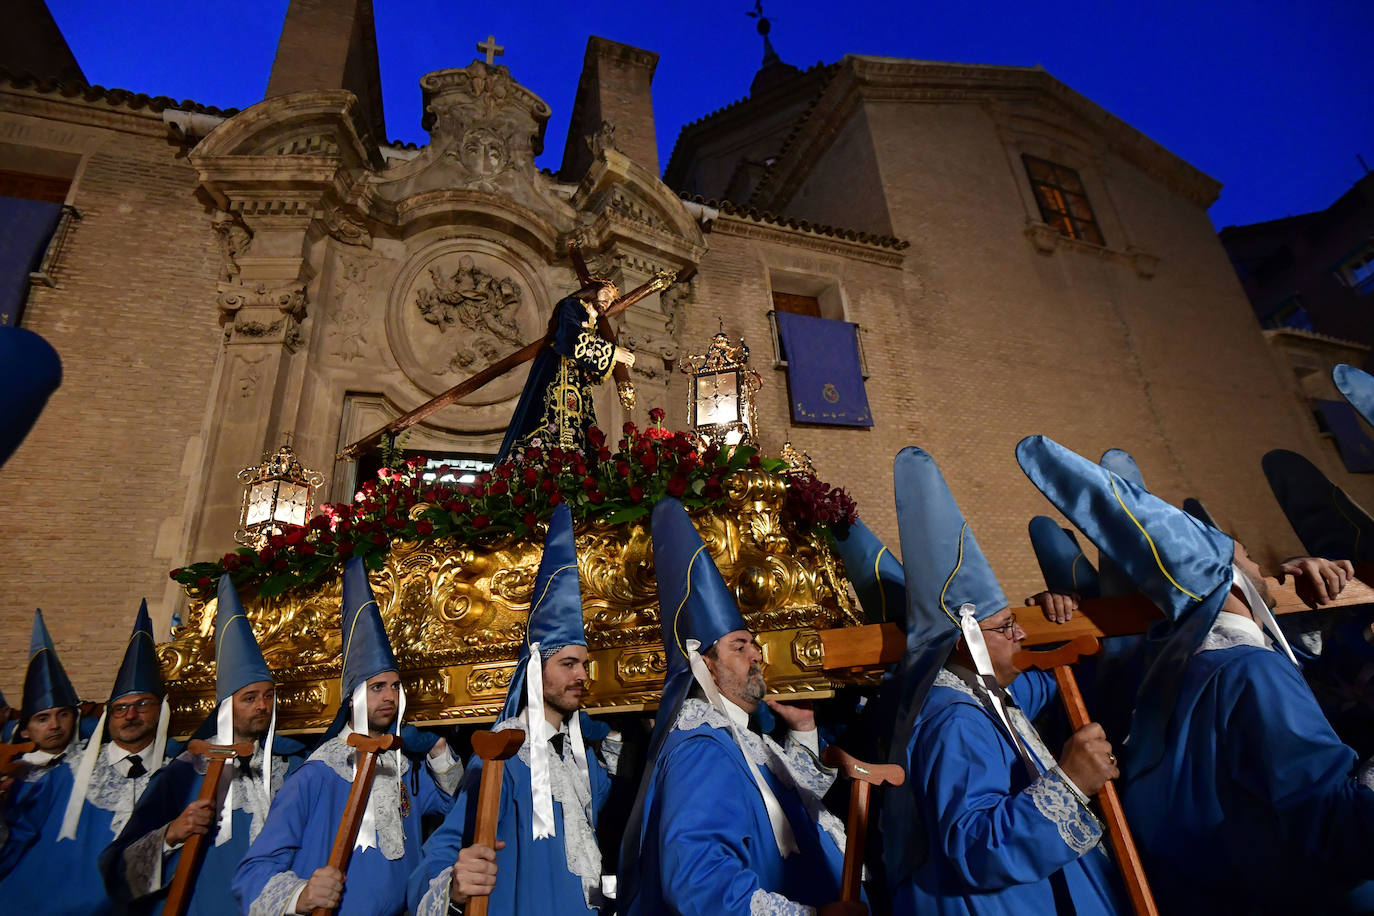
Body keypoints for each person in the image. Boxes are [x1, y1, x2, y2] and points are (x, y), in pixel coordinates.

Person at [1017, 433, 1374, 914]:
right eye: (1248, 559)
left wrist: (1318, 606)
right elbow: (1339, 823)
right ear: (1233, 578)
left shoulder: (1173, 684)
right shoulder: (1253, 671)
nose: (1266, 572)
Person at [879, 447, 1123, 916]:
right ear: (961, 642)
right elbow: (976, 847)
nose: (1021, 633)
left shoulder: (984, 695)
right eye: (1006, 626)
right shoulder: (956, 721)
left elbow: (1069, 676)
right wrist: (1070, 782)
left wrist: (1065, 614)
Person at [619, 497, 849, 916]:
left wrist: (800, 729)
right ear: (705, 663)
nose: (756, 655)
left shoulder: (737, 736)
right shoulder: (701, 746)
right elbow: (697, 879)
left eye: (754, 645)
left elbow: (781, 811)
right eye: (739, 646)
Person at [409, 503, 614, 915]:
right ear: (535, 672)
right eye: (568, 664)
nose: (582, 677)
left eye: (585, 665)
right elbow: (446, 847)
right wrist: (454, 885)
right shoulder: (499, 754)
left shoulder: (580, 756)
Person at [234, 557, 459, 916]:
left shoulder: (403, 768)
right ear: (354, 697)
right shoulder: (316, 774)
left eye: (396, 687)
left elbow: (451, 806)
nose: (390, 696)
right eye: (377, 688)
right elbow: (254, 870)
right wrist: (303, 895)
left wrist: (438, 748)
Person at [99, 576, 310, 916]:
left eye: (268, 696)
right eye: (250, 698)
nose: (262, 706)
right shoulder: (184, 771)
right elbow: (118, 864)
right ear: (227, 705)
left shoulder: (291, 765)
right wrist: (171, 833)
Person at [0, 606, 138, 914]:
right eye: (43, 718)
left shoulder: (102, 764)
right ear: (25, 729)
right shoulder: (19, 775)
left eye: (63, 714)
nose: (54, 725)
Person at [495, 280, 635, 462]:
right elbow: (569, 339)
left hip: (576, 383)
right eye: (605, 293)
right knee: (546, 421)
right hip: (555, 370)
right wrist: (613, 352)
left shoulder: (595, 323)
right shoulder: (572, 305)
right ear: (592, 292)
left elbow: (593, 370)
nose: (608, 300)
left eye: (611, 298)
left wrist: (608, 357)